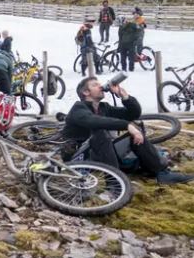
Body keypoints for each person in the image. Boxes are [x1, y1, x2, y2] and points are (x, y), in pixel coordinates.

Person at [63, 77, 194, 184]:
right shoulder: (78, 108)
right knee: (100, 132)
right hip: (79, 158)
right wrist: (127, 126)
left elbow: (133, 114)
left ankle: (162, 173)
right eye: (95, 85)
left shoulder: (104, 107)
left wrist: (125, 97)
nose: (101, 86)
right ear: (86, 92)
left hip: (102, 154)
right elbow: (93, 121)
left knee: (136, 129)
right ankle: (114, 183)